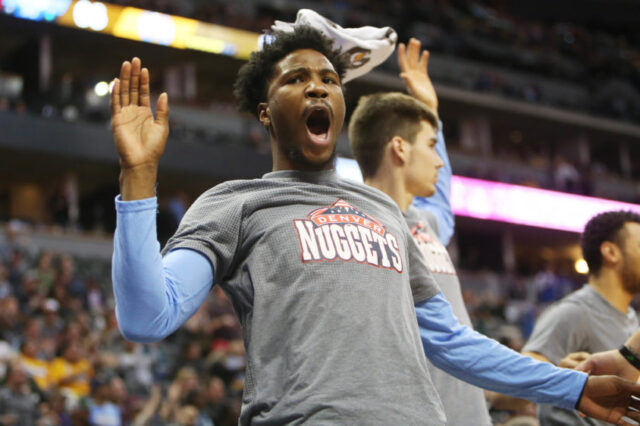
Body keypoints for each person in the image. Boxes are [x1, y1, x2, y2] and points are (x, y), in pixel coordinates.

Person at [110, 25, 640, 425]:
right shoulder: (235, 204)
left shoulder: (386, 211)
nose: (318, 88)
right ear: (266, 111)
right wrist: (138, 178)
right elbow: (146, 316)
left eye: (329, 80)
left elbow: (453, 342)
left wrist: (567, 389)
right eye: (296, 79)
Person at [347, 37, 489, 425]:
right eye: (431, 145)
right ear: (400, 149)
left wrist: (430, 112)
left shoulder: (425, 223)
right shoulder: (357, 231)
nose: (440, 161)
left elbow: (440, 202)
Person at [520, 210, 640, 425]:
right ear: (611, 252)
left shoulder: (633, 317)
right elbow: (519, 379)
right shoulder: (572, 312)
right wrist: (558, 374)